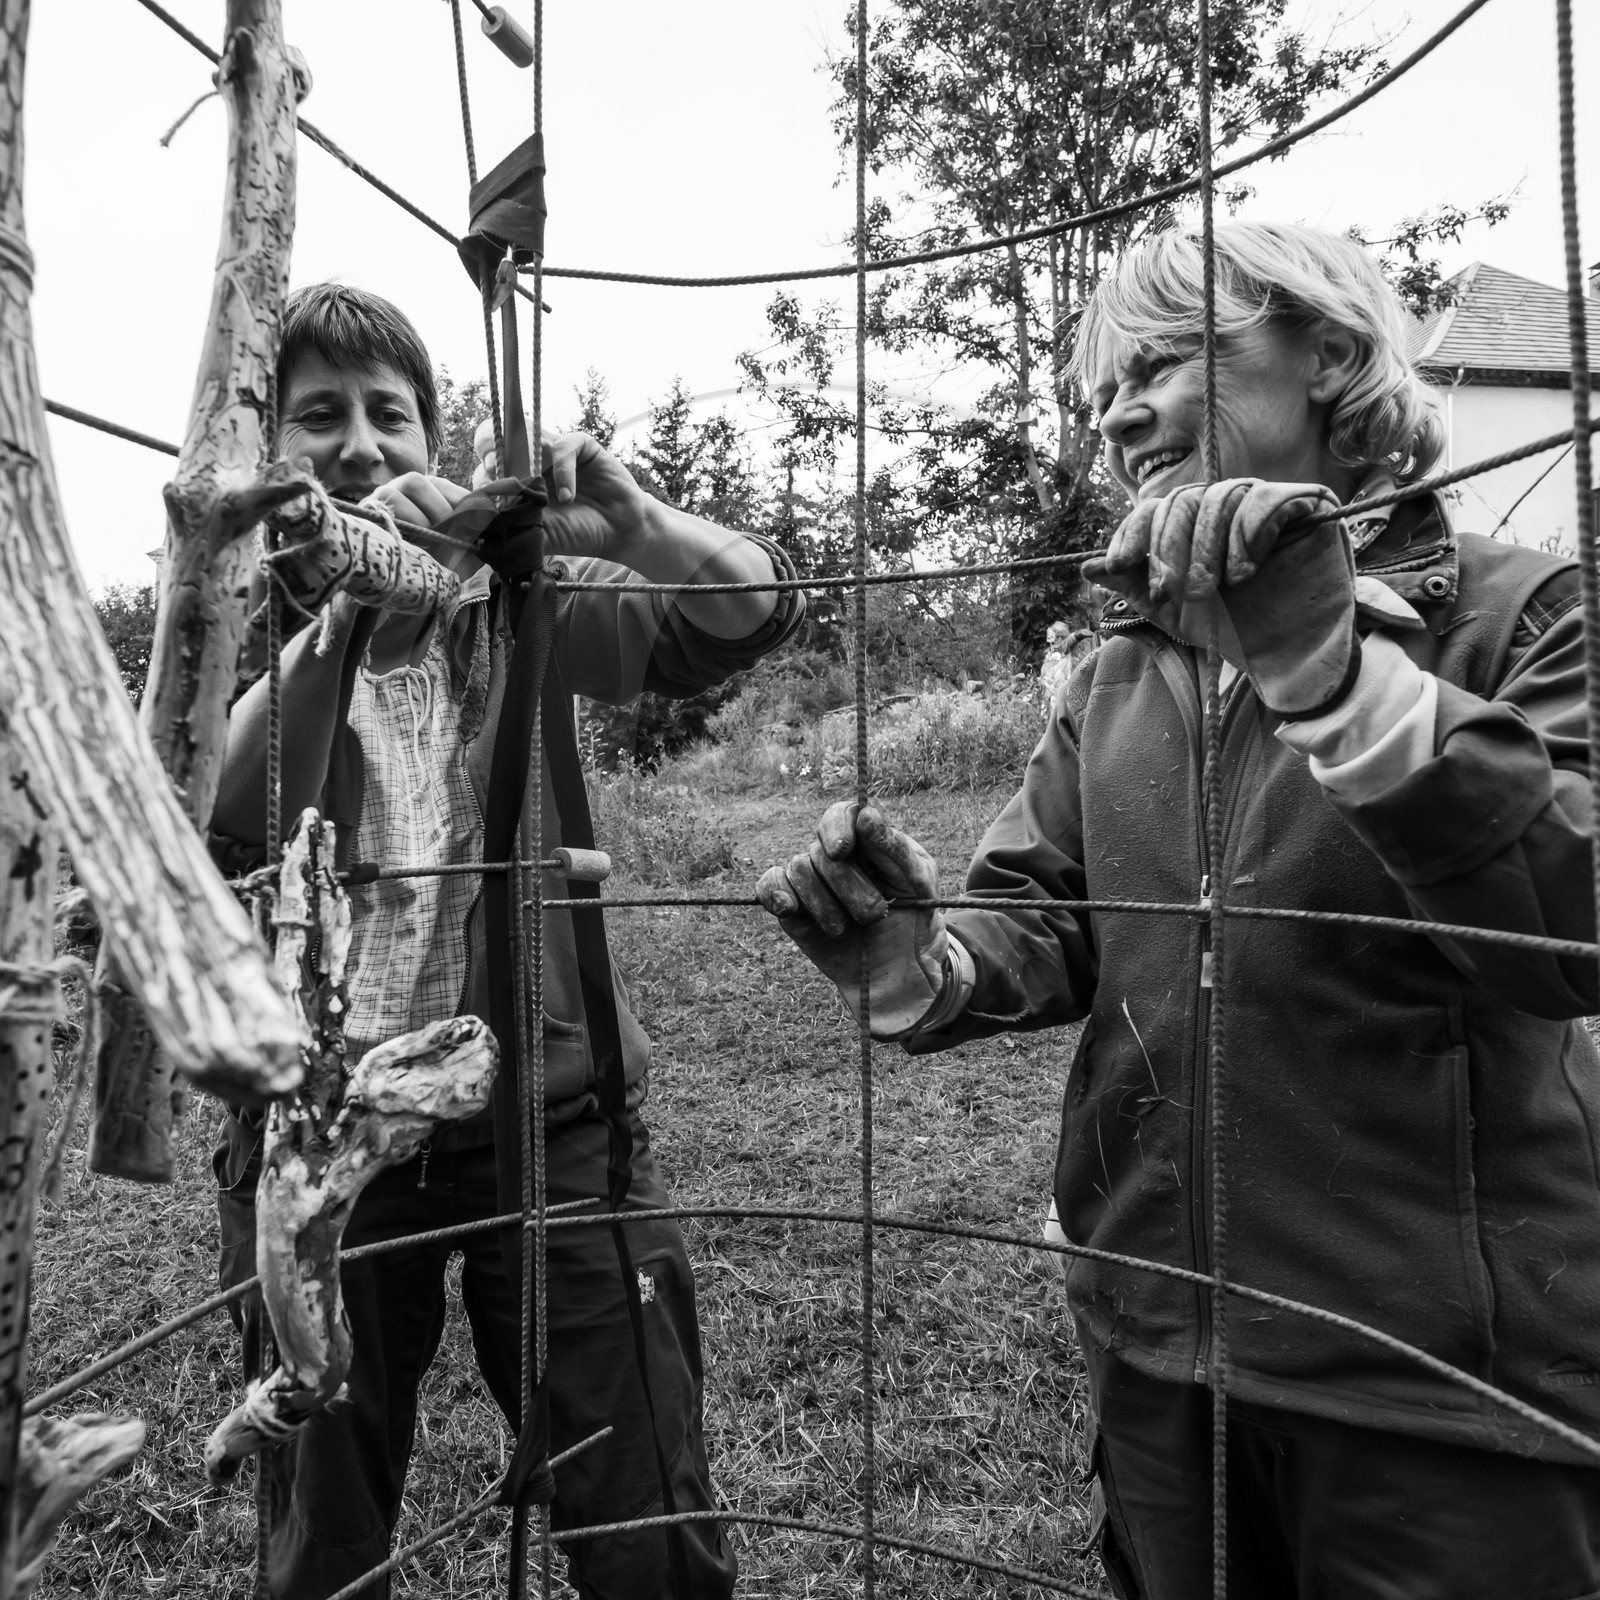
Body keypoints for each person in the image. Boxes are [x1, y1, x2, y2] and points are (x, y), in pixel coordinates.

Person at [756, 222, 1600, 1599]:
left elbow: (1576, 927)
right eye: (1098, 394)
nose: (1116, 417)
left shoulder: (1523, 616)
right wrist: (920, 965)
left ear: (1329, 352)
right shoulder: (1116, 672)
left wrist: (1331, 675)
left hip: (1442, 1389)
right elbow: (1046, 914)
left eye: (1158, 360)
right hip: (1158, 1352)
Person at [210, 282, 804, 1600]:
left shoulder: (519, 602)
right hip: (329, 1142)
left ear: (432, 440)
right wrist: (335, 623)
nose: (361, 445)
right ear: (266, 461)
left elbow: (742, 615)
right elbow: (212, 818)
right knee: (321, 1520)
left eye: (389, 415)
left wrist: (636, 520)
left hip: (550, 1118)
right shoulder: (238, 638)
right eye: (320, 418)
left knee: (642, 1509)